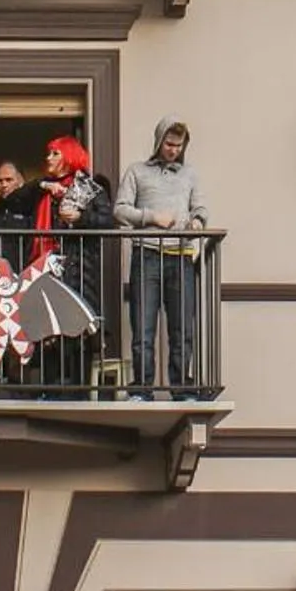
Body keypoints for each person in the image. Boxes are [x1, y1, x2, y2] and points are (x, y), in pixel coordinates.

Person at [115, 118, 209, 398]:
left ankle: (181, 387)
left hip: (181, 257)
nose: (173, 150)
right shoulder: (137, 171)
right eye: (169, 144)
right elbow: (120, 209)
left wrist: (198, 223)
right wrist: (152, 217)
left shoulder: (190, 174)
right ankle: (142, 388)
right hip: (146, 255)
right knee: (143, 328)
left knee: (182, 329)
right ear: (158, 142)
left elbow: (200, 206)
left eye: (178, 146)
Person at [31, 136, 115, 384]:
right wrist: (45, 187)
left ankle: (77, 389)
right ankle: (51, 389)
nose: (48, 158)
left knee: (77, 330)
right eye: (49, 153)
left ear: (68, 156)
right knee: (49, 330)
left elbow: (107, 222)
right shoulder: (43, 191)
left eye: (54, 153)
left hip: (80, 270)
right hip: (50, 269)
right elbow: (17, 199)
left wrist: (80, 217)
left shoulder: (89, 187)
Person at [0, 160, 42, 270]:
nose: (4, 185)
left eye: (9, 180)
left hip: (24, 280)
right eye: (0, 181)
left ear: (21, 182)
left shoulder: (34, 214)